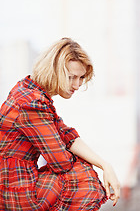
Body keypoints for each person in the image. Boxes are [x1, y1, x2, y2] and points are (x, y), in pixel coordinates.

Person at [0, 37, 120, 210]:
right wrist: (93, 167)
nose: (77, 85)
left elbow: (66, 135)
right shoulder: (31, 102)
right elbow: (60, 162)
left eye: (81, 78)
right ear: (54, 70)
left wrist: (105, 165)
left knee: (82, 168)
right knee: (83, 177)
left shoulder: (31, 91)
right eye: (72, 77)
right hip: (14, 189)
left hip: (14, 182)